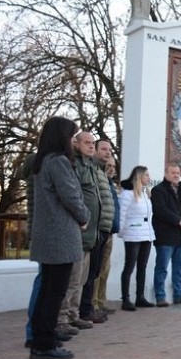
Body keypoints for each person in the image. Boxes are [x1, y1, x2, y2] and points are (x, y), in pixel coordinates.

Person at [29, 116, 90, 359]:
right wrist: (84, 216)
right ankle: (45, 345)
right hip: (60, 235)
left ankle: (40, 338)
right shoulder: (59, 162)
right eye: (71, 137)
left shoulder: (42, 161)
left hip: (48, 235)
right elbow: (71, 196)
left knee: (46, 290)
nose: (73, 142)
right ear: (61, 137)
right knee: (55, 292)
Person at [57, 131, 102, 335]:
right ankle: (62, 318)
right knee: (72, 280)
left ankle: (74, 315)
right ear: (75, 144)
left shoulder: (91, 165)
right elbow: (73, 195)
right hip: (78, 231)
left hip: (89, 234)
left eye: (93, 143)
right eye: (87, 143)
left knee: (81, 280)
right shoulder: (74, 164)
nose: (91, 146)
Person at [78, 138, 116, 324]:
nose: (107, 152)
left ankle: (87, 308)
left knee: (94, 272)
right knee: (86, 274)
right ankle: (84, 309)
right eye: (103, 148)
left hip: (103, 229)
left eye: (109, 149)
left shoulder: (101, 172)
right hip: (94, 229)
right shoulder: (89, 168)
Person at [151, 163, 181, 305]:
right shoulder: (158, 190)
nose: (176, 175)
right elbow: (160, 210)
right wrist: (178, 221)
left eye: (178, 172)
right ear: (166, 174)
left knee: (179, 266)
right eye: (173, 172)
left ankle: (179, 294)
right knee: (162, 267)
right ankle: (160, 296)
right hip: (165, 236)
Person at [118, 166, 156, 311]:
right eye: (146, 175)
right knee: (129, 266)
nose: (148, 178)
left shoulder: (146, 194)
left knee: (142, 267)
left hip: (146, 233)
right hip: (132, 233)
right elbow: (122, 214)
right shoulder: (127, 194)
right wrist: (121, 232)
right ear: (139, 176)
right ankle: (125, 299)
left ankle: (140, 297)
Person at [93, 157, 120, 314]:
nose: (111, 168)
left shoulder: (111, 185)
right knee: (97, 270)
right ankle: (94, 303)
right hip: (101, 230)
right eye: (108, 166)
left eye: (113, 166)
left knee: (105, 270)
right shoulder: (100, 182)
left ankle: (101, 301)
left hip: (110, 231)